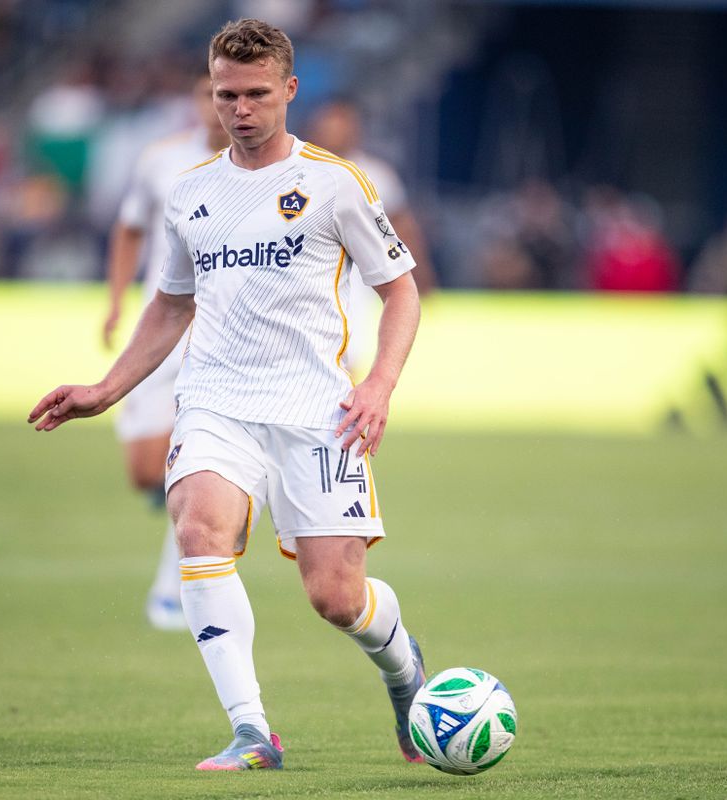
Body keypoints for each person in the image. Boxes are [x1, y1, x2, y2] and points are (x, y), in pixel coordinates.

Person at [28, 18, 427, 771]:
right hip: (215, 401)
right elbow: (172, 304)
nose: (239, 109)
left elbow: (401, 292)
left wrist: (378, 384)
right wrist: (107, 389)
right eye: (225, 95)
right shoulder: (190, 192)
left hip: (318, 411)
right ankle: (252, 731)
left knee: (337, 597)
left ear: (289, 90)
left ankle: (405, 670)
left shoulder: (335, 184)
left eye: (255, 94)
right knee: (199, 530)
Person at [102, 76, 230, 631]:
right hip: (162, 325)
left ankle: (179, 580)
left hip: (222, 335)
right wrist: (115, 300)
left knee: (194, 462)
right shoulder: (162, 160)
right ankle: (190, 507)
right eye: (211, 94)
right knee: (144, 472)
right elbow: (130, 229)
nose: (221, 105)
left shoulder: (268, 167)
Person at [307, 98, 435, 372]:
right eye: (328, 123)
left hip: (360, 278)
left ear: (356, 129)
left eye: (342, 123)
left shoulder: (376, 174)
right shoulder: (300, 171)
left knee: (349, 352)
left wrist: (421, 275)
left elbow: (403, 228)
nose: (334, 130)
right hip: (310, 275)